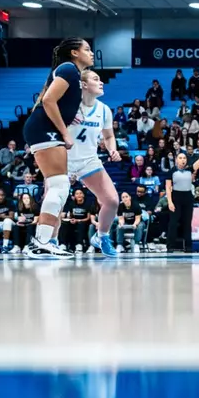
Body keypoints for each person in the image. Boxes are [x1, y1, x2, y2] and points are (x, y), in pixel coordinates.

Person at [20, 38, 92, 258]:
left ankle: (46, 240)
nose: (91, 53)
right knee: (59, 185)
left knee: (58, 186)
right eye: (87, 49)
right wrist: (65, 132)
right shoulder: (69, 69)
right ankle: (40, 241)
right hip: (46, 130)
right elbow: (49, 100)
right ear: (74, 53)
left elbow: (52, 99)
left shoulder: (71, 73)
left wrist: (72, 116)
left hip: (43, 129)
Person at [67, 68, 123, 257]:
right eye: (96, 79)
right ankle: (48, 241)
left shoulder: (104, 109)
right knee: (53, 202)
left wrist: (112, 149)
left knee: (112, 200)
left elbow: (108, 136)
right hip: (63, 160)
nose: (101, 82)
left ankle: (102, 236)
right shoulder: (68, 105)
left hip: (89, 160)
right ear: (83, 85)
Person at [164, 139, 199, 253]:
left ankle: (188, 247)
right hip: (176, 197)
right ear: (176, 160)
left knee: (187, 223)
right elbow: (168, 188)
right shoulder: (171, 171)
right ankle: (170, 246)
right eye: (180, 158)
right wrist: (170, 202)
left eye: (184, 158)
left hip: (188, 197)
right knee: (173, 223)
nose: (182, 160)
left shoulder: (190, 169)